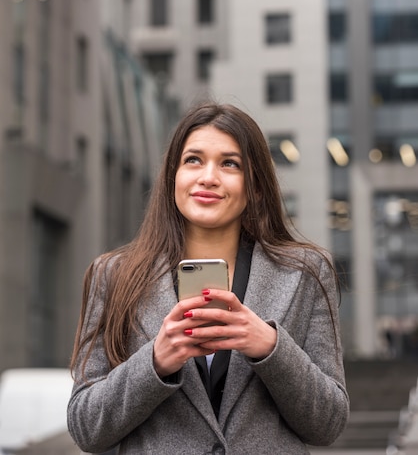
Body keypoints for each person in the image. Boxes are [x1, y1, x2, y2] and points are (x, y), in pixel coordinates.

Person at [67, 101, 349, 455]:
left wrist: (270, 347)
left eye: (229, 163)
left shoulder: (305, 272)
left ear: (256, 187)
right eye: (193, 160)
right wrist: (154, 362)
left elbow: (328, 424)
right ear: (173, 178)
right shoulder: (113, 276)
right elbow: (85, 427)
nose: (208, 177)